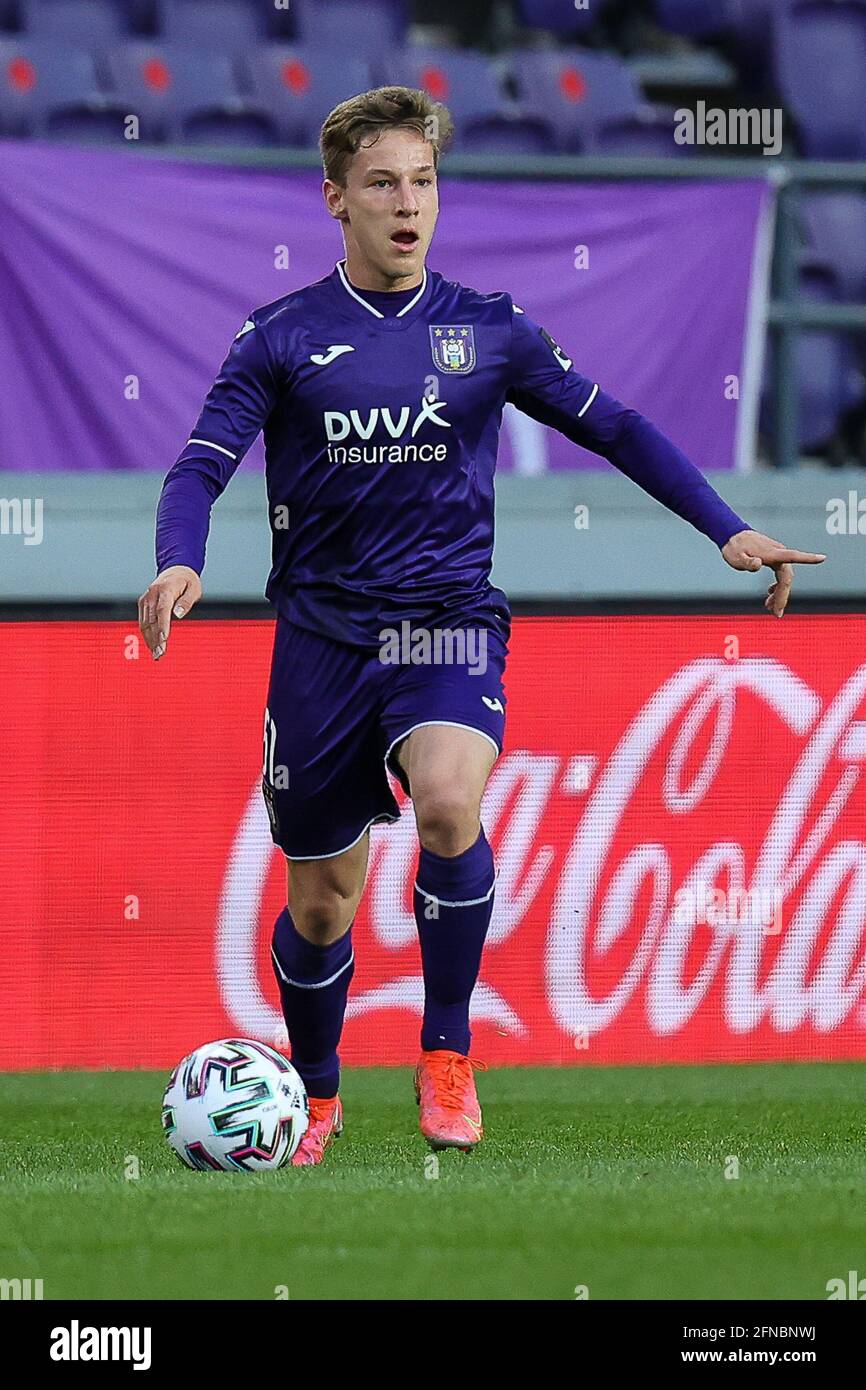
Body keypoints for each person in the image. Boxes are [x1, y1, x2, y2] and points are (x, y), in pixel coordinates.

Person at [138, 86, 825, 1165]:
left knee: (451, 800)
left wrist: (725, 529)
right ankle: (314, 1097)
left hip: (446, 622)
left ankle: (446, 1057)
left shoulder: (488, 329)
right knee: (321, 903)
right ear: (335, 200)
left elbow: (617, 425)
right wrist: (180, 557)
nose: (407, 204)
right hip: (320, 644)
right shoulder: (279, 338)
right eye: (381, 184)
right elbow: (200, 463)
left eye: (422, 181)